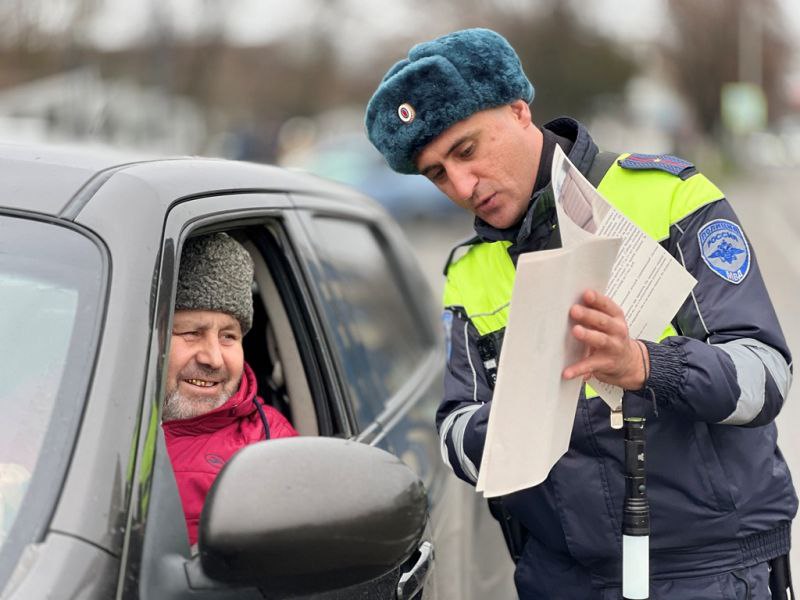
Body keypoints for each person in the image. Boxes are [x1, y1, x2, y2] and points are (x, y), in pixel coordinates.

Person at [365, 28, 796, 599]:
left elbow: (765, 376)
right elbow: (452, 430)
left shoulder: (668, 197)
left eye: (467, 150)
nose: (463, 185)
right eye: (437, 174)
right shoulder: (467, 270)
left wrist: (647, 365)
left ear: (520, 110)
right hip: (560, 577)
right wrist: (518, 418)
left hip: (707, 570)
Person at [161, 232, 297, 546]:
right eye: (192, 332)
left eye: (229, 337)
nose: (213, 358)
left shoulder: (269, 444)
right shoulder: (77, 409)